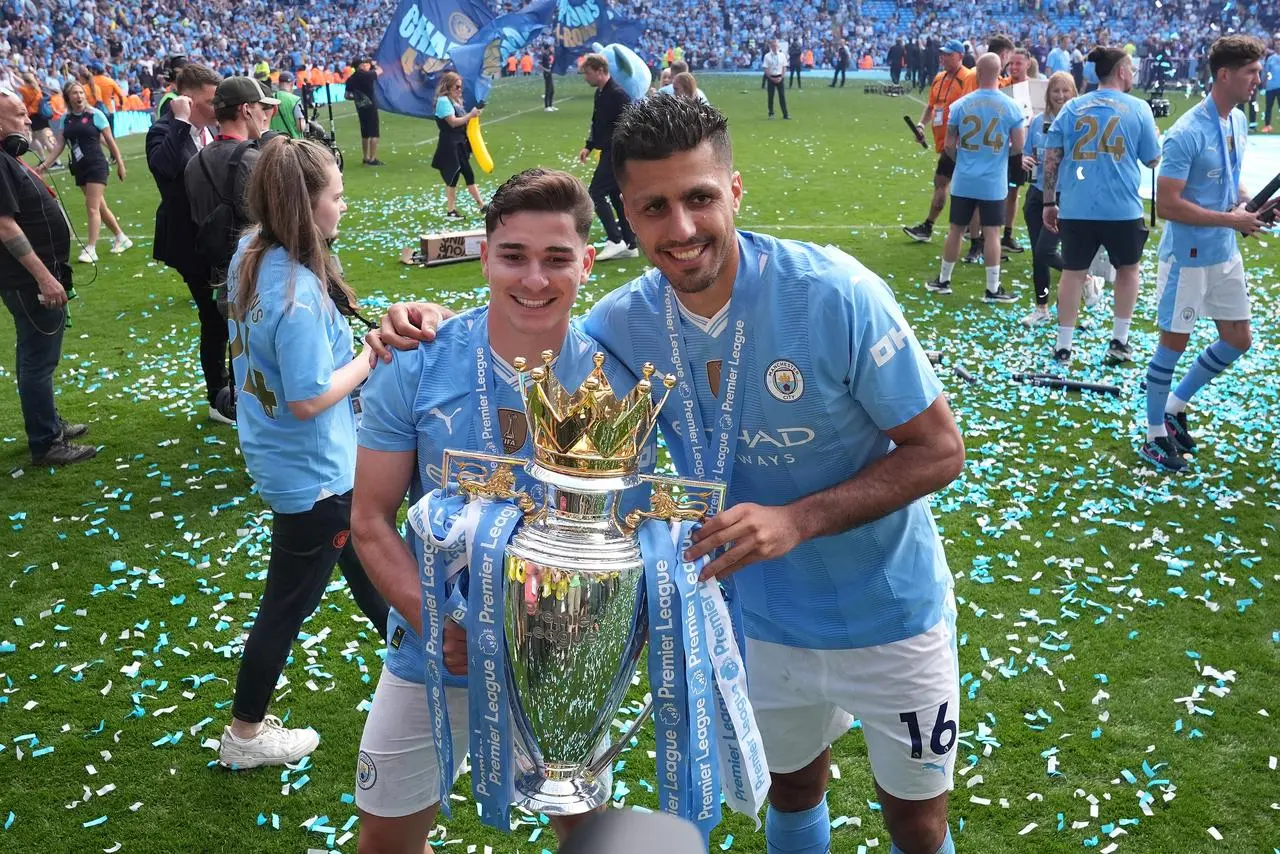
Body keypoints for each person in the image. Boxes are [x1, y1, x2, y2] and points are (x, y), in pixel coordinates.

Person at [375, 94, 966, 854]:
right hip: (759, 620)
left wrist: (797, 519)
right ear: (628, 212)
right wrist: (416, 321)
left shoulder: (836, 293)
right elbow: (526, 315)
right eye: (655, 207)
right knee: (791, 789)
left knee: (917, 823)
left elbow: (939, 449)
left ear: (735, 192)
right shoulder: (621, 326)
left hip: (889, 613)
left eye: (700, 198)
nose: (681, 229)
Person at [351, 167, 611, 853]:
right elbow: (370, 519)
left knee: (584, 828)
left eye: (557, 258)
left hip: (564, 654)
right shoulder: (416, 360)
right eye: (513, 256)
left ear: (586, 261)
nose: (534, 279)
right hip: (437, 650)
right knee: (385, 841)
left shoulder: (614, 372)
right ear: (484, 254)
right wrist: (435, 622)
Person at [217, 137, 389, 769]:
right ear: (306, 203)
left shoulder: (250, 252)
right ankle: (244, 736)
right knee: (287, 605)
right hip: (314, 475)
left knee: (374, 579)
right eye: (337, 196)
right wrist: (369, 357)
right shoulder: (297, 293)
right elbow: (310, 397)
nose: (344, 206)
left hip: (295, 462)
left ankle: (432, 678)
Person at [1141, 36, 1270, 472]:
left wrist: (1250, 205)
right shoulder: (1186, 132)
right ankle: (1153, 433)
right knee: (1173, 345)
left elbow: (1230, 185)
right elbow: (1169, 205)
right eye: (1252, 72)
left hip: (1224, 251)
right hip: (1187, 257)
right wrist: (1232, 220)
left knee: (1239, 338)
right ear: (1224, 75)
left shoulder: (1236, 121)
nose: (1259, 79)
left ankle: (1175, 407)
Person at [1041, 46, 1161, 364]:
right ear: (1121, 71)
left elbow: (1051, 157)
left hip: (1077, 206)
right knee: (1128, 271)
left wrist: (1049, 201)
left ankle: (1063, 346)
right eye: (1131, 69)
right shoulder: (1138, 108)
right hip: (1122, 208)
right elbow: (1152, 159)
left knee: (1072, 273)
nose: (1133, 74)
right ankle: (1119, 341)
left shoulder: (1072, 108)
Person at [0, 87, 95, 465]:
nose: (29, 120)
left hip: (35, 277)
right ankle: (46, 440)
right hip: (28, 282)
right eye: (20, 115)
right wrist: (44, 278)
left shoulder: (9, 159)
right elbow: (5, 227)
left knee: (37, 356)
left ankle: (48, 424)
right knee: (37, 360)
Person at [925, 54, 1024, 302]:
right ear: (1000, 73)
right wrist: (997, 159)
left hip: (965, 178)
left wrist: (966, 161)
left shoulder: (961, 105)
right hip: (993, 181)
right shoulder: (1011, 106)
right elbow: (1018, 146)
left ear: (977, 73)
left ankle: (944, 280)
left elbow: (949, 144)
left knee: (956, 230)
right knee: (992, 233)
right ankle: (992, 288)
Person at [185, 76, 278, 286]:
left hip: (221, 276)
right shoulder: (255, 160)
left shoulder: (193, 163)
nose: (264, 116)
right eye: (260, 108)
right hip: (259, 273)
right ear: (246, 110)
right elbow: (276, 222)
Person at [35, 81, 130, 264]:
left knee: (91, 206)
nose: (79, 96)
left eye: (81, 92)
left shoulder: (95, 115)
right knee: (99, 207)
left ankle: (91, 249)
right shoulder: (66, 119)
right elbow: (60, 145)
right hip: (79, 167)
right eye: (74, 93)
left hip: (96, 164)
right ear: (68, 97)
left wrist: (120, 163)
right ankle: (121, 237)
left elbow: (110, 141)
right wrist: (45, 165)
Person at [904, 40, 976, 243]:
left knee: (945, 183)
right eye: (943, 54)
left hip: (959, 143)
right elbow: (931, 106)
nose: (943, 57)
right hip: (945, 142)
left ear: (960, 56)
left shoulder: (968, 78)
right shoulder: (938, 78)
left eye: (948, 54)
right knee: (949, 184)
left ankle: (932, 227)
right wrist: (920, 126)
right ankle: (969, 229)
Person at [1020, 71, 1076, 326]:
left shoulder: (1079, 123)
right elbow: (1027, 152)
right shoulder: (1037, 122)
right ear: (1048, 94)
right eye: (1056, 91)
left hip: (1063, 196)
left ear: (1074, 93)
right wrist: (1024, 159)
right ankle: (1041, 306)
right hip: (1036, 194)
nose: (1061, 96)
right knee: (1037, 254)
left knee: (1045, 251)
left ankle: (1083, 277)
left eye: (1066, 91)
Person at [578, 53, 637, 260]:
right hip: (608, 151)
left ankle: (615, 239)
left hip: (617, 152)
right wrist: (589, 146)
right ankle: (630, 243)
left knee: (596, 191)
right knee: (615, 196)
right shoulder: (601, 93)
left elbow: (631, 125)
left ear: (601, 71)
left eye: (588, 73)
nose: (585, 77)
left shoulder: (618, 95)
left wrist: (620, 151)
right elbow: (598, 123)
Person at [431, 71, 485, 219]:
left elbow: (463, 121)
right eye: (457, 87)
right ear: (448, 86)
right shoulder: (443, 101)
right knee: (453, 176)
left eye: (461, 87)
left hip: (459, 143)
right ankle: (452, 210)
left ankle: (482, 206)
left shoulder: (454, 101)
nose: (460, 90)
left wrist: (474, 115)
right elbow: (453, 122)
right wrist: (470, 115)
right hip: (450, 144)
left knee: (468, 174)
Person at [999, 49, 1032, 254]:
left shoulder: (1035, 88)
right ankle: (988, 234)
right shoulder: (1002, 86)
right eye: (1011, 63)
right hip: (1001, 147)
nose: (1014, 67)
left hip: (1021, 149)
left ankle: (1007, 235)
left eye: (1018, 63)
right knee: (996, 192)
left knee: (1013, 192)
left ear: (1028, 64)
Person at [346, 58, 383, 166]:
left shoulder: (351, 79)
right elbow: (380, 71)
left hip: (360, 107)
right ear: (361, 65)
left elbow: (347, 96)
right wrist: (374, 65)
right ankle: (372, 158)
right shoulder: (367, 75)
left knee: (365, 133)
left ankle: (365, 157)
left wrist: (358, 98)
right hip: (370, 106)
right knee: (374, 133)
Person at [17, 73, 54, 161]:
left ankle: (56, 161)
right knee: (33, 139)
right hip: (39, 116)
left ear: (26, 81)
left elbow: (14, 85)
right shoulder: (37, 88)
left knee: (45, 140)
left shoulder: (26, 90)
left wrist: (11, 74)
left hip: (35, 117)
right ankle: (43, 159)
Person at [269, 70, 307, 138]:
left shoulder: (270, 98)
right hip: (292, 142)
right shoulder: (295, 100)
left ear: (279, 83)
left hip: (274, 142)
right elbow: (300, 127)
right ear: (292, 84)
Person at [764, 40, 790, 119]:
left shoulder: (782, 55)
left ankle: (785, 114)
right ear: (771, 47)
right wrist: (771, 78)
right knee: (770, 96)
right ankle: (771, 113)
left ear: (778, 46)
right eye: (773, 46)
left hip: (779, 77)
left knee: (782, 96)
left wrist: (781, 77)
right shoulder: (767, 56)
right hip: (771, 77)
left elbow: (784, 67)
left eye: (776, 46)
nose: (775, 47)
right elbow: (766, 68)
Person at [1261, 43, 1280, 131]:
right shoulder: (1271, 59)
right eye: (1277, 46)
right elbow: (1265, 72)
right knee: (1269, 107)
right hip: (1271, 86)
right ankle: (1267, 125)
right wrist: (1263, 84)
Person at [541, 44, 556, 111]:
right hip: (547, 73)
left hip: (549, 73)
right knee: (548, 89)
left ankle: (550, 105)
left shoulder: (548, 55)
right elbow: (541, 65)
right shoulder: (544, 56)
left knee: (552, 90)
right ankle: (546, 106)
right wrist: (546, 70)